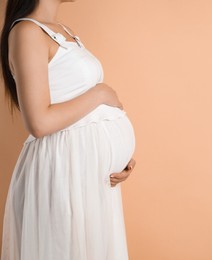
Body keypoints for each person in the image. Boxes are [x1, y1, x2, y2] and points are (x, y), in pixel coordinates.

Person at [0, 0, 136, 259]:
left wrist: (116, 155)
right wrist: (101, 94)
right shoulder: (27, 32)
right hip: (62, 172)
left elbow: (82, 115)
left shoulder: (62, 30)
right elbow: (39, 123)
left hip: (88, 177)